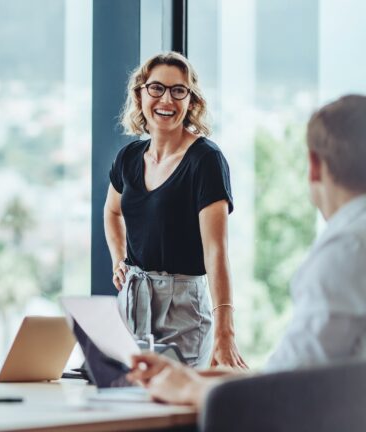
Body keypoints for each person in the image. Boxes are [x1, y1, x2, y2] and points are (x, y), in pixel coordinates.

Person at [126, 94, 366, 406]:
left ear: (314, 167)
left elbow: (286, 392)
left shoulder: (346, 251)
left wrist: (188, 389)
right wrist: (192, 376)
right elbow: (296, 372)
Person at [105, 52, 245, 368]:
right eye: (156, 88)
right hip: (132, 300)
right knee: (126, 403)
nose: (166, 99)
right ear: (140, 94)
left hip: (183, 306)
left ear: (191, 101)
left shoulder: (205, 160)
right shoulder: (128, 158)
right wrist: (118, 259)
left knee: (176, 409)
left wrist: (226, 332)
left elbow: (216, 251)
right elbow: (112, 212)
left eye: (178, 90)